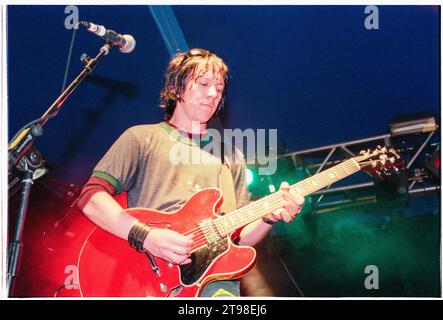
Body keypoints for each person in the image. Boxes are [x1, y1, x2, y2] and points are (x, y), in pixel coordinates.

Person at [77, 48, 305, 297]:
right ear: (176, 87)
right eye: (204, 83)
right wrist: (147, 236)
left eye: (219, 89)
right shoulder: (142, 138)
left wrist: (267, 217)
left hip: (217, 286)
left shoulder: (230, 157)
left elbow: (239, 239)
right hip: (152, 282)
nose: (212, 94)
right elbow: (90, 197)